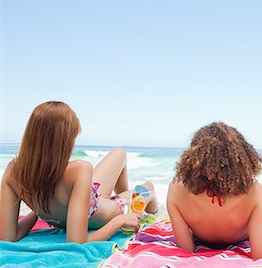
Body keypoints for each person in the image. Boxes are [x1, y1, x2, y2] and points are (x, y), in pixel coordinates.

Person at [0, 101, 158, 243]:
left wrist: (39, 211)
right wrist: (120, 221)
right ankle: (145, 193)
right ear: (64, 141)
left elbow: (8, 236)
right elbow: (77, 242)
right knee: (145, 190)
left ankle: (129, 199)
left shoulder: (13, 172)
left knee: (119, 153)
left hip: (89, 200)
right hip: (110, 209)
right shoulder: (79, 170)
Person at [167, 122, 262, 260]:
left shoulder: (176, 190)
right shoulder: (254, 192)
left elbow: (186, 250)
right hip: (240, 236)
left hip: (201, 236)